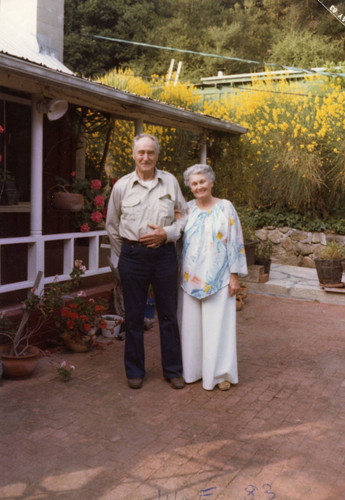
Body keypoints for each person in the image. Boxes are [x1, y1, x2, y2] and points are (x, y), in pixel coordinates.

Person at [106, 133, 187, 390]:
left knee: (168, 316)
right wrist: (125, 256)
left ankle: (173, 370)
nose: (145, 157)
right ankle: (135, 371)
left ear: (157, 155)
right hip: (132, 256)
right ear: (133, 155)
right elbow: (112, 225)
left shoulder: (170, 182)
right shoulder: (122, 187)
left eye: (150, 153)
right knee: (133, 317)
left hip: (164, 256)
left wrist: (168, 234)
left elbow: (184, 217)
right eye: (141, 152)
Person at [178, 164, 248, 391]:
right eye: (194, 183)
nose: (198, 186)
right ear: (190, 186)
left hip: (219, 278)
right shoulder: (186, 209)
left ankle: (220, 375)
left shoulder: (226, 207)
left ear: (211, 183)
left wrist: (235, 276)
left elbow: (236, 242)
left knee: (219, 329)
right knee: (191, 330)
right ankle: (193, 372)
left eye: (202, 182)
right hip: (190, 279)